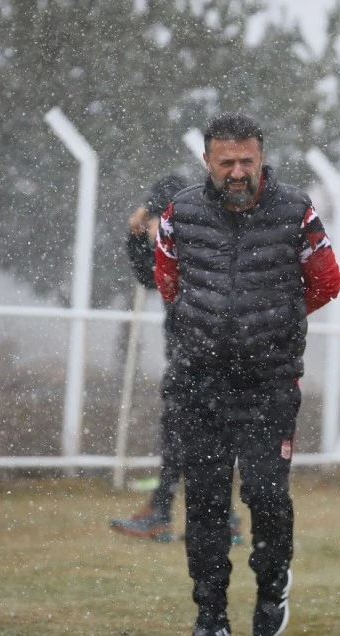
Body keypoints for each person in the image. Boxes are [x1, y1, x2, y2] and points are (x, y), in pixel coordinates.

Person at [154, 112, 340, 636]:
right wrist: (208, 329)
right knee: (206, 504)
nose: (238, 172)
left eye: (247, 161)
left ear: (261, 158)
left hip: (269, 386)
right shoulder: (180, 212)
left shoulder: (296, 211)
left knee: (265, 496)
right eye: (226, 162)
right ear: (208, 161)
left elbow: (327, 282)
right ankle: (211, 617)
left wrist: (275, 321)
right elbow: (166, 279)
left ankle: (271, 597)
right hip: (200, 384)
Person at [109, 175, 243, 545]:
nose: (150, 227)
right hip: (194, 360)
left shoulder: (193, 249)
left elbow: (153, 278)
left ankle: (174, 514)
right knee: (189, 439)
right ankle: (204, 516)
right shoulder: (189, 246)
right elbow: (149, 277)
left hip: (201, 362)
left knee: (188, 439)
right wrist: (136, 238)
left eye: (153, 219)